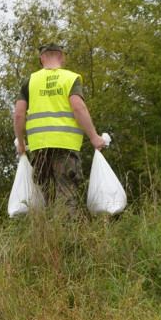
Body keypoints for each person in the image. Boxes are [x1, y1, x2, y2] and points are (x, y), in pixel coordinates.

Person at [14, 42, 106, 213]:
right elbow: (78, 108)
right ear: (63, 59)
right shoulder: (71, 78)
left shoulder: (30, 81)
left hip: (39, 148)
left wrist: (21, 143)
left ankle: (47, 237)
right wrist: (94, 137)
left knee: (45, 198)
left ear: (42, 59)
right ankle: (66, 238)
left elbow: (19, 115)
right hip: (65, 147)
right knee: (66, 197)